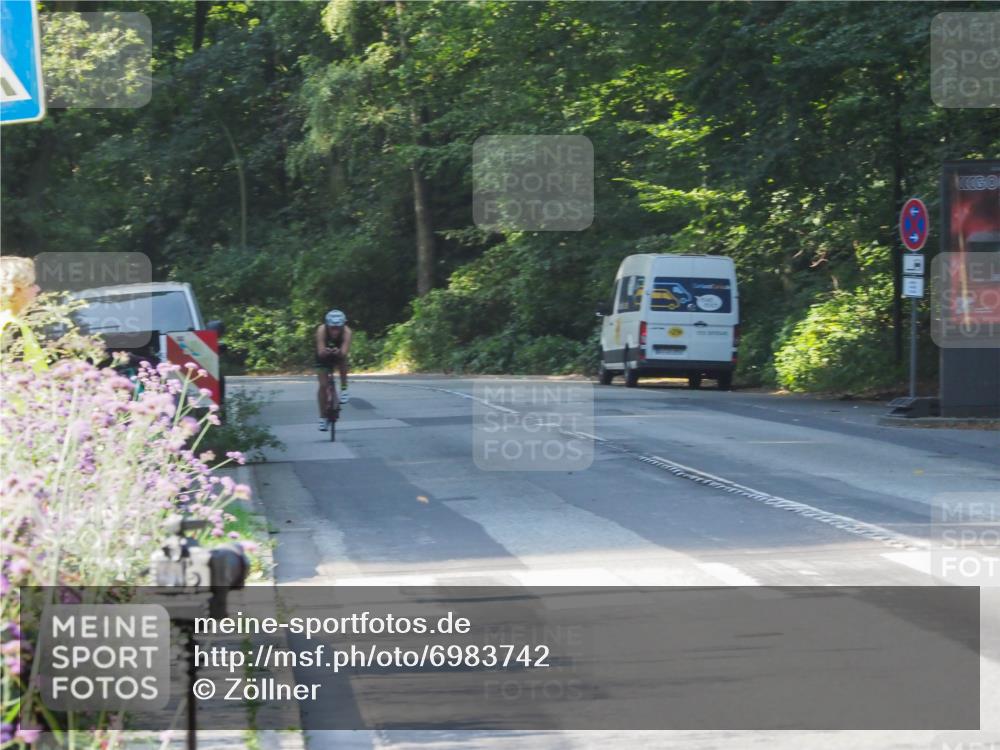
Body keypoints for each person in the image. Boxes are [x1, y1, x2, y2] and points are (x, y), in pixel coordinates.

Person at [316, 308, 352, 430]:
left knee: (343, 360)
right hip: (322, 355)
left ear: (342, 326)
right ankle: (322, 417)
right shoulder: (321, 330)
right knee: (323, 386)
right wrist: (325, 352)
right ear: (327, 325)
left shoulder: (347, 332)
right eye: (332, 328)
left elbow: (344, 352)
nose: (335, 331)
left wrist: (339, 352)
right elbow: (320, 351)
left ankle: (344, 389)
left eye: (338, 328)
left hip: (339, 352)